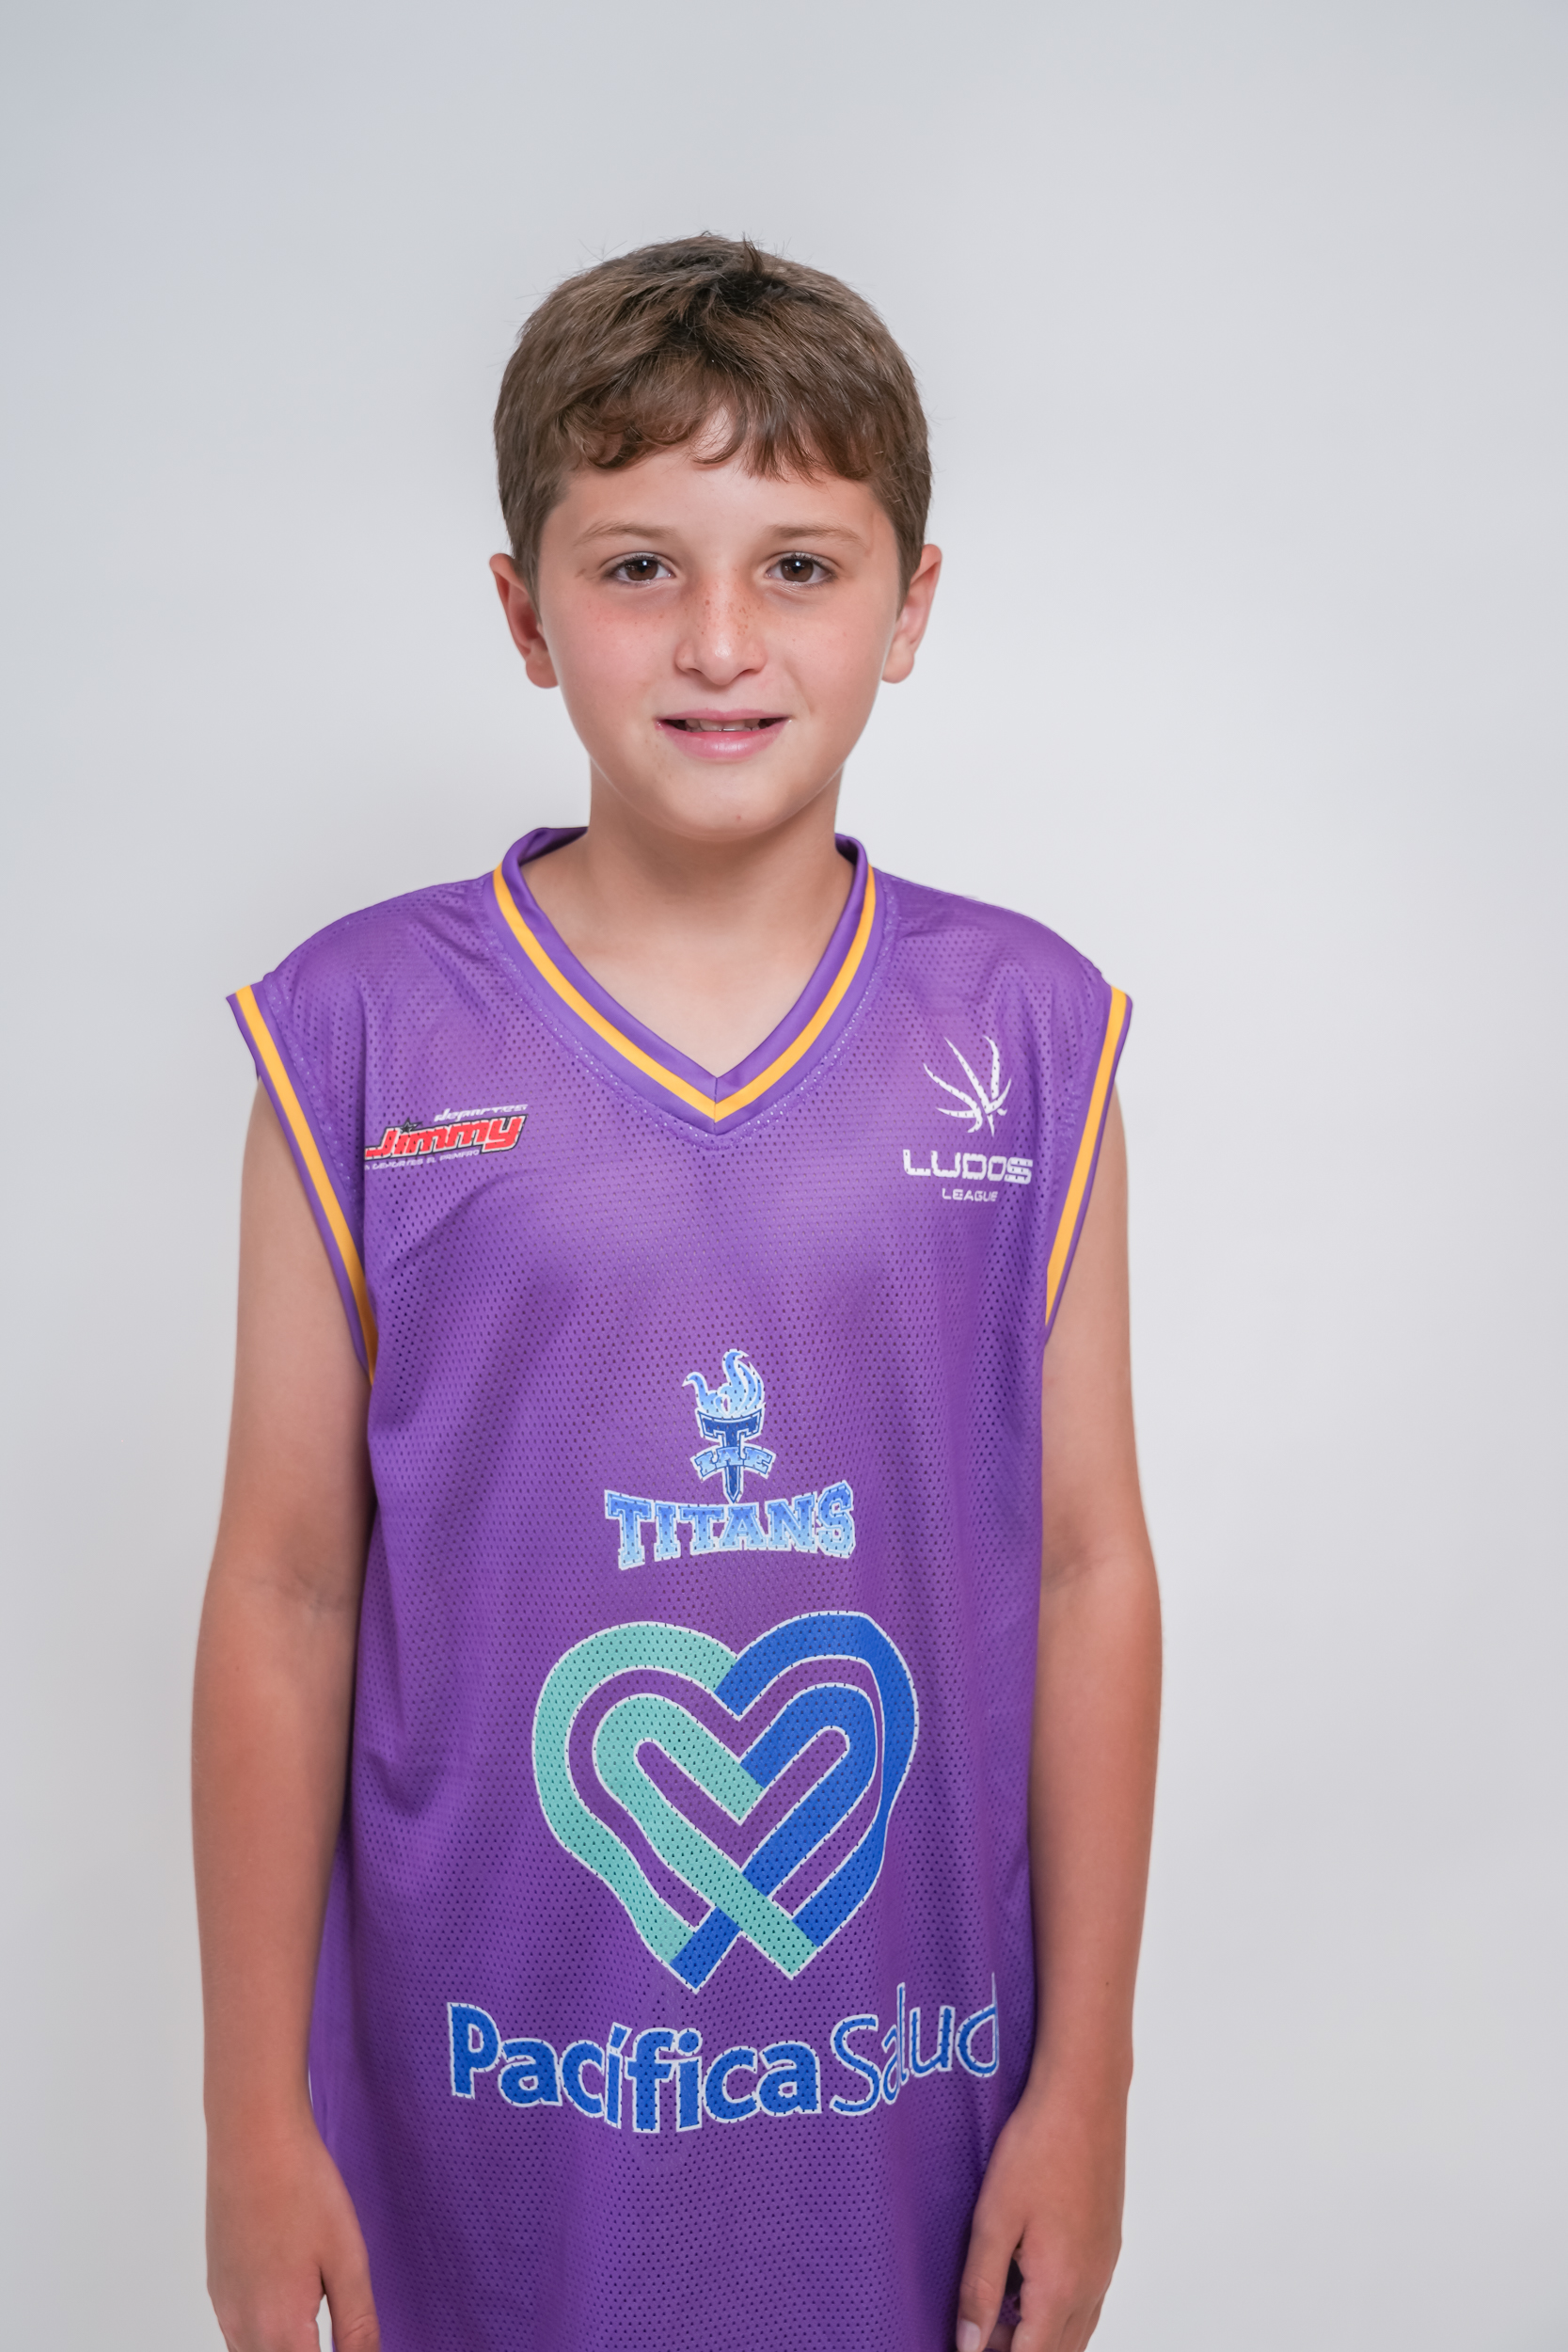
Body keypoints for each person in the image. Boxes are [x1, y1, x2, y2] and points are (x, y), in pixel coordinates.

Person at [194, 234, 1161, 2352]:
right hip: (478, 2123)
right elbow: (284, 1585)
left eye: (800, 566)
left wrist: (1086, 2088)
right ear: (524, 610)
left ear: (912, 604)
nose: (721, 641)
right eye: (639, 566)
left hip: (906, 2114)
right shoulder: (357, 1032)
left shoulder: (1030, 1030)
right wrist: (251, 2116)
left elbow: (1089, 1567)